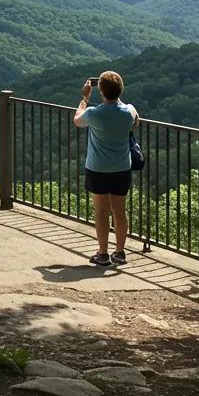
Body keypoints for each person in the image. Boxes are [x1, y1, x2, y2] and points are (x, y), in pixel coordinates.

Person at [73, 70, 139, 266]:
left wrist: (84, 98)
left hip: (98, 167)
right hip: (122, 167)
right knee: (119, 210)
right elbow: (135, 124)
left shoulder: (94, 113)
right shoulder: (129, 110)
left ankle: (102, 253)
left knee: (101, 210)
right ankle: (119, 252)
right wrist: (117, 96)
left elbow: (77, 120)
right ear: (120, 90)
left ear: (100, 90)